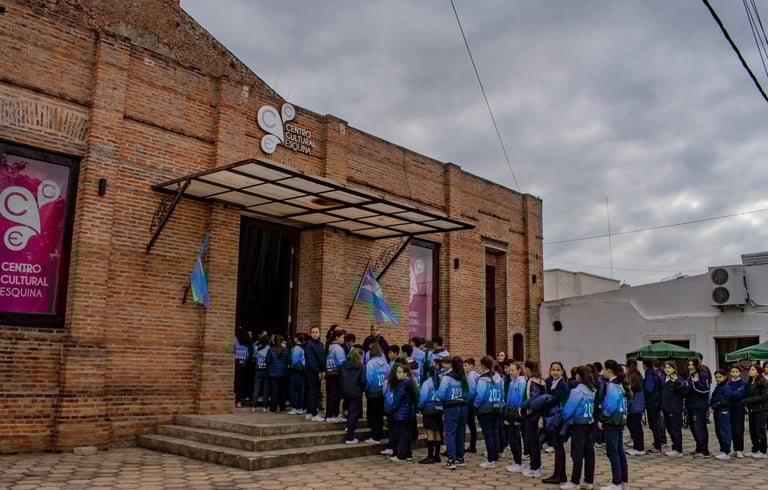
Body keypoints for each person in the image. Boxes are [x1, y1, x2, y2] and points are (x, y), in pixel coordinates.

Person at [560, 365, 596, 490]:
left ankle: (575, 481)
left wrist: (564, 417)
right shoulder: (592, 390)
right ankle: (588, 480)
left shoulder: (577, 391)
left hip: (578, 425)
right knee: (589, 453)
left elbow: (568, 410)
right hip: (589, 423)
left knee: (577, 454)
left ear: (579, 376)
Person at [437, 356, 472, 470]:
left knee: (450, 433)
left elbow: (441, 394)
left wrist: (443, 401)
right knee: (461, 432)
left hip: (451, 407)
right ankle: (460, 457)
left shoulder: (447, 377)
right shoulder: (464, 377)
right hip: (463, 406)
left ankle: (451, 459)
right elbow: (468, 394)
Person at [599, 359, 628, 490]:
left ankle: (616, 482)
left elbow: (611, 406)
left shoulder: (611, 385)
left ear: (609, 370)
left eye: (604, 369)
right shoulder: (619, 383)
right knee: (620, 451)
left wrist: (602, 418)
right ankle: (623, 481)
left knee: (612, 452)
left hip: (612, 421)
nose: (602, 372)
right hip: (620, 419)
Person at [475, 356, 504, 468]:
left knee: (488, 435)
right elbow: (502, 393)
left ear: (483, 365)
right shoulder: (499, 377)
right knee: (495, 433)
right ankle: (495, 458)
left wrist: (475, 406)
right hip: (497, 408)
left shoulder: (482, 379)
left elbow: (480, 396)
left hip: (485, 409)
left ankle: (491, 459)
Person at [543, 361, 569, 485]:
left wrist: (544, 401)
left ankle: (558, 475)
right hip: (553, 417)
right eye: (553, 370)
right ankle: (560, 474)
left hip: (558, 418)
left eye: (558, 370)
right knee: (557, 447)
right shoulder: (551, 382)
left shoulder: (562, 385)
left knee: (558, 447)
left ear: (562, 372)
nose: (555, 372)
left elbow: (554, 400)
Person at [388, 362, 417, 462]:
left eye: (400, 372)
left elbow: (397, 401)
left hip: (401, 414)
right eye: (397, 372)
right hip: (407, 412)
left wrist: (391, 411)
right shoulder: (409, 383)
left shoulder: (403, 385)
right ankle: (408, 454)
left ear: (406, 373)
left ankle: (402, 455)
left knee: (402, 435)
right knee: (406, 434)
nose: (397, 374)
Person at [521, 360, 546, 479]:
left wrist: (522, 405)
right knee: (534, 441)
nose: (524, 370)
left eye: (525, 368)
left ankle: (534, 467)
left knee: (531, 441)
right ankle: (536, 465)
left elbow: (533, 398)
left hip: (532, 415)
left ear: (528, 369)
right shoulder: (542, 381)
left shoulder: (532, 381)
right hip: (539, 414)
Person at [418, 357, 444, 464]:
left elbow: (423, 397)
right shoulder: (441, 381)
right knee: (437, 432)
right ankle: (437, 456)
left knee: (430, 433)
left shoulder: (427, 383)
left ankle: (430, 456)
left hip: (429, 410)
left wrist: (420, 406)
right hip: (439, 409)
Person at [661, 360, 688, 457]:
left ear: (674, 369)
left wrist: (676, 381)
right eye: (665, 367)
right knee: (669, 428)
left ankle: (678, 449)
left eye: (669, 368)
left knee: (675, 429)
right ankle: (674, 447)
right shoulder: (664, 378)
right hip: (666, 407)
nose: (667, 369)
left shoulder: (678, 379)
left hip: (675, 408)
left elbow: (683, 390)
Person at [340, 347, 366, 443]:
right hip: (356, 393)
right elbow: (363, 381)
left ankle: (348, 427)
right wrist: (362, 390)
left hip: (345, 392)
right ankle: (349, 437)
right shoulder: (361, 367)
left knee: (348, 412)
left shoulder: (343, 365)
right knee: (353, 415)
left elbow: (340, 378)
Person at [365, 343, 390, 443]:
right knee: (379, 414)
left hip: (372, 392)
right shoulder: (386, 364)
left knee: (372, 414)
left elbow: (369, 379)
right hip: (382, 392)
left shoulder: (370, 363)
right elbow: (388, 378)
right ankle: (379, 434)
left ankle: (375, 436)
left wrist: (366, 388)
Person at [686, 359, 711, 457]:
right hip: (691, 406)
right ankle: (699, 448)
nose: (690, 367)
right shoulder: (690, 376)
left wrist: (696, 383)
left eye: (692, 365)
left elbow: (705, 390)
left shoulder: (702, 375)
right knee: (693, 428)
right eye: (689, 365)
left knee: (699, 428)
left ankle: (704, 450)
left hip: (699, 407)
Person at [504, 361, 526, 474]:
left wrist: (519, 415)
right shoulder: (512, 381)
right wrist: (506, 413)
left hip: (517, 413)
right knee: (513, 437)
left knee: (514, 437)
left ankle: (518, 462)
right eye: (510, 370)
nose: (511, 372)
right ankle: (517, 461)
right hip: (510, 412)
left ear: (519, 370)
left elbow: (521, 398)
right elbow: (508, 398)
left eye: (513, 370)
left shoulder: (521, 382)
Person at [743, 363, 768, 458]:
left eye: (753, 370)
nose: (750, 371)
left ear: (758, 372)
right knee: (752, 431)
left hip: (761, 409)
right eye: (750, 369)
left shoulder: (763, 382)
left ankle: (763, 451)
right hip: (752, 410)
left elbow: (764, 397)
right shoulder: (750, 382)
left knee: (760, 431)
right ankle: (755, 449)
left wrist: (748, 400)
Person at [710, 368, 733, 460]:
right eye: (716, 377)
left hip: (723, 412)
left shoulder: (726, 387)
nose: (718, 379)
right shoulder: (718, 387)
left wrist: (714, 406)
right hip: (717, 412)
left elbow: (724, 400)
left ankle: (726, 452)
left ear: (725, 377)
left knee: (724, 431)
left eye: (720, 377)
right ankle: (722, 450)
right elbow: (714, 398)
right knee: (719, 432)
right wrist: (711, 406)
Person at [304, 326, 325, 422]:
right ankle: (314, 414)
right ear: (310, 333)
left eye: (317, 332)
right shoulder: (309, 345)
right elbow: (311, 360)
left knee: (313, 391)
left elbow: (322, 358)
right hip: (311, 372)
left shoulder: (320, 344)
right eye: (313, 332)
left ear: (319, 333)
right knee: (313, 392)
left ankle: (309, 412)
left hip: (318, 371)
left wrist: (323, 370)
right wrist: (318, 371)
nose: (315, 334)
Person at [325, 328, 347, 422]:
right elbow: (342, 363)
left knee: (330, 395)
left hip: (329, 373)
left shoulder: (329, 347)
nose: (343, 339)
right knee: (335, 396)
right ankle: (331, 415)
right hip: (336, 374)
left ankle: (334, 414)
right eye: (342, 337)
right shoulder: (338, 348)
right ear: (337, 337)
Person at [625, 358, 646, 456]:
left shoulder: (631, 376)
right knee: (636, 426)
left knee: (635, 427)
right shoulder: (638, 374)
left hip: (634, 405)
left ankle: (639, 448)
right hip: (638, 404)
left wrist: (627, 405)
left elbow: (630, 392)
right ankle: (637, 446)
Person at [642, 359, 663, 454]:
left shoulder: (649, 374)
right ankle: (658, 443)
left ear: (644, 365)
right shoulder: (655, 373)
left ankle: (657, 446)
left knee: (654, 424)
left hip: (652, 402)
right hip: (656, 401)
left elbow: (648, 389)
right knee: (656, 424)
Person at [726, 365, 747, 457]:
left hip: (739, 408)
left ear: (740, 373)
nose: (734, 373)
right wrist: (732, 394)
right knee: (732, 429)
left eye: (736, 371)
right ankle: (735, 449)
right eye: (733, 371)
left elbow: (739, 395)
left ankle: (740, 450)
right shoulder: (728, 383)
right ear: (730, 373)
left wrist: (730, 394)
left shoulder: (743, 383)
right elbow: (725, 394)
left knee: (739, 429)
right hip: (730, 408)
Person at [267, 335, 290, 413]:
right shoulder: (286, 350)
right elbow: (288, 360)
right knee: (282, 391)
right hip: (284, 372)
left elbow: (267, 361)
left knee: (274, 390)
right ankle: (282, 408)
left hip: (273, 373)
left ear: (274, 341)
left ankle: (273, 408)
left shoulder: (271, 350)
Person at [251, 334, 271, 413]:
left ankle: (253, 406)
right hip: (266, 370)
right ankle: (265, 407)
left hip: (258, 370)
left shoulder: (257, 348)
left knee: (256, 389)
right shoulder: (269, 349)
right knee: (266, 389)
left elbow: (253, 357)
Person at [463, 358, 479, 454]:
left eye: (466, 365)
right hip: (473, 403)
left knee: (466, 424)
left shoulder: (471, 377)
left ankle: (465, 445)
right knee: (472, 425)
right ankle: (472, 445)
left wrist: (466, 400)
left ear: (472, 366)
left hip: (469, 403)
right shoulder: (476, 375)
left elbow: (471, 391)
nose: (464, 367)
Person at [287, 333, 305, 415]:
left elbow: (294, 360)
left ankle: (295, 407)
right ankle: (301, 407)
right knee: (301, 390)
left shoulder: (297, 348)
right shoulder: (304, 347)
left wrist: (290, 365)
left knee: (293, 389)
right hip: (303, 370)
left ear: (296, 339)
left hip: (296, 370)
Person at [234, 328, 251, 408]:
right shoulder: (245, 348)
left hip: (236, 366)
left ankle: (236, 399)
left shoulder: (236, 347)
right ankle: (239, 400)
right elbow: (247, 357)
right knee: (240, 383)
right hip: (243, 367)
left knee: (235, 383)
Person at [591, 362, 605, 448]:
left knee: (597, 422)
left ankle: (598, 440)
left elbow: (599, 393)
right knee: (600, 420)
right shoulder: (601, 378)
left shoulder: (596, 380)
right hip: (600, 403)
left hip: (597, 403)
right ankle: (602, 439)